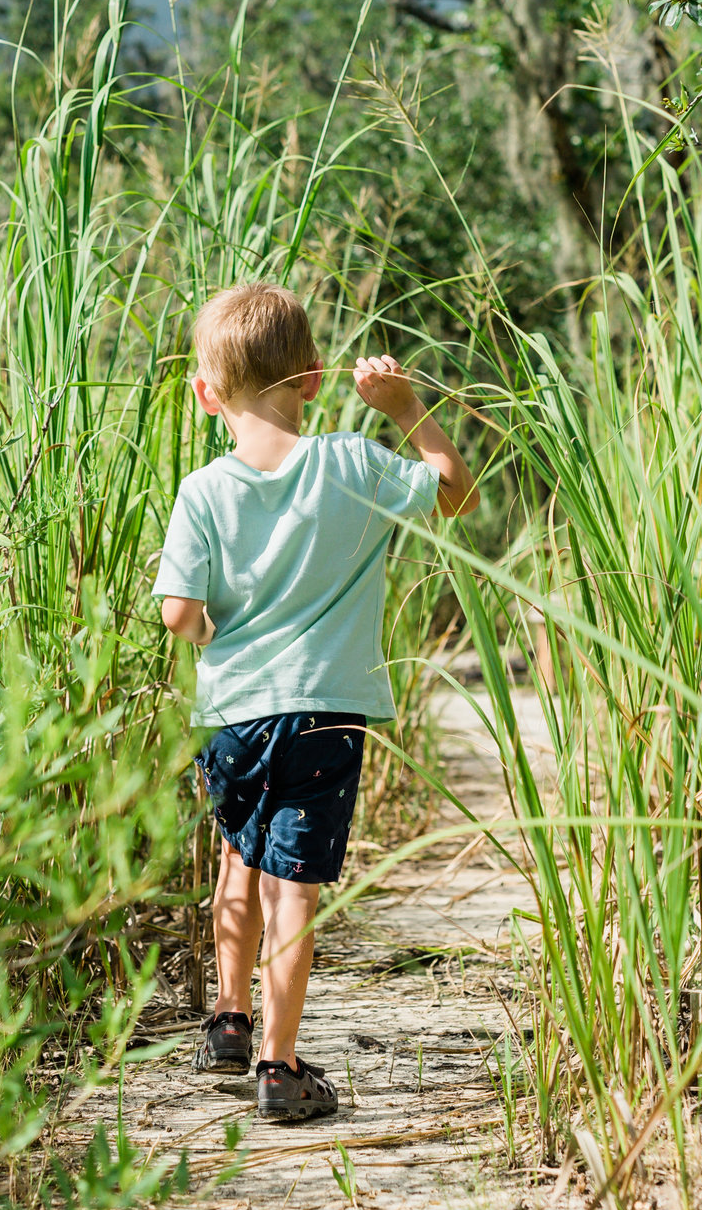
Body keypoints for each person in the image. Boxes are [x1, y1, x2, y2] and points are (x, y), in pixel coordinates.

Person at [152, 282, 477, 1122]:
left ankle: (228, 1017)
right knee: (293, 886)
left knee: (237, 858)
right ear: (313, 380)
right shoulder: (352, 465)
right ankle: (279, 1065)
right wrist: (405, 406)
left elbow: (180, 613)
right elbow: (454, 490)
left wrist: (218, 637)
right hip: (326, 712)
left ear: (205, 393)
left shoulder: (202, 491)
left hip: (233, 714)